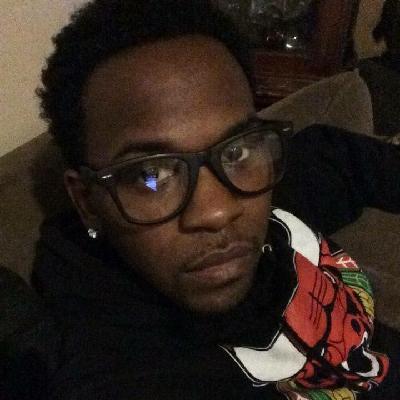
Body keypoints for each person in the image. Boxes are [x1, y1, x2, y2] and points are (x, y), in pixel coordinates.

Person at [3, 0, 400, 399]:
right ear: (87, 201)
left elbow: (340, 158)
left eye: (236, 149)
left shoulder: (265, 173)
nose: (217, 210)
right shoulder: (113, 372)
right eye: (152, 175)